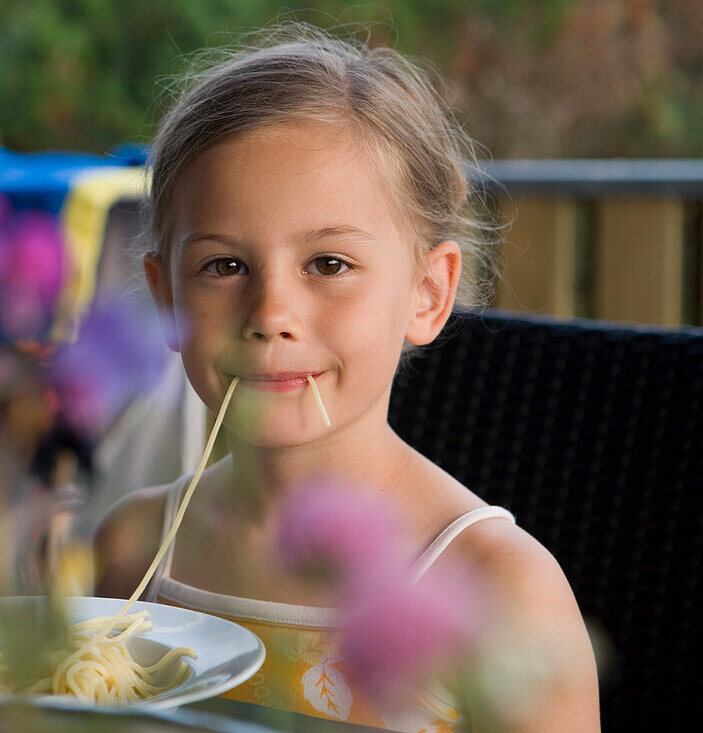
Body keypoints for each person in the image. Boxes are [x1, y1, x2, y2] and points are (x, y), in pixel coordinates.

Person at [94, 24, 600, 732]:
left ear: (427, 291)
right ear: (167, 296)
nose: (271, 314)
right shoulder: (133, 550)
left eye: (328, 264)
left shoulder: (496, 591)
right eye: (224, 265)